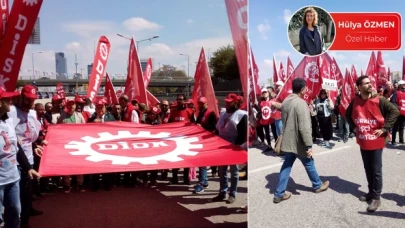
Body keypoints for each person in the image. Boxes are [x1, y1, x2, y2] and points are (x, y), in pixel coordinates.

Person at [346, 75, 399, 212]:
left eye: (370, 82)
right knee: (367, 167)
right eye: (366, 83)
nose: (370, 85)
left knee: (376, 170)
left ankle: (376, 197)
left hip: (376, 140)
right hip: (364, 139)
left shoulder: (379, 99)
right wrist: (354, 127)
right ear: (359, 87)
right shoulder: (355, 101)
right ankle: (370, 192)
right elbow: (347, 114)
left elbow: (395, 111)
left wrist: (385, 128)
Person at [273, 78, 329, 204]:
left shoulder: (286, 101)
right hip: (299, 142)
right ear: (303, 89)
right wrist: (309, 145)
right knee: (309, 162)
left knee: (286, 166)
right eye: (305, 88)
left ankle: (279, 193)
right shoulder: (301, 103)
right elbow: (304, 126)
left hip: (288, 140)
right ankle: (318, 185)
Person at [0, 87, 40, 228]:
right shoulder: (11, 113)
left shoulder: (12, 120)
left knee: (18, 207)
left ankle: (25, 218)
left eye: (32, 100)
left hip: (19, 169)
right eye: (28, 99)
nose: (30, 103)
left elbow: (19, 142)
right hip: (7, 172)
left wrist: (28, 165)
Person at [212, 93, 247, 204]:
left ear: (235, 103)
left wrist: (235, 145)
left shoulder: (241, 115)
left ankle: (232, 193)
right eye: (226, 102)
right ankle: (222, 192)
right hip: (222, 147)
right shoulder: (223, 113)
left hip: (233, 147)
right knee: (221, 171)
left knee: (234, 172)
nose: (226, 104)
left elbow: (242, 134)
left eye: (229, 102)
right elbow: (217, 129)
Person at [57, 99, 86, 193]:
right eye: (69, 105)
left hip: (78, 144)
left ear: (75, 106)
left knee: (79, 165)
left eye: (73, 104)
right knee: (67, 165)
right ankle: (67, 184)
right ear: (66, 106)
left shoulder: (79, 115)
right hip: (66, 145)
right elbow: (57, 129)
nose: (71, 106)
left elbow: (85, 129)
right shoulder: (62, 116)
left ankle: (80, 184)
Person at [88, 99, 116, 191]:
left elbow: (115, 131)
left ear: (105, 108)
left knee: (107, 165)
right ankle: (95, 185)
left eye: (102, 107)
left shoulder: (111, 117)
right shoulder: (91, 118)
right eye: (98, 107)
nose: (100, 109)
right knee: (95, 165)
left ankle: (107, 184)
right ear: (95, 109)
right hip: (95, 145)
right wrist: (93, 124)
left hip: (108, 145)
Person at [193, 97, 218, 194]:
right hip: (200, 139)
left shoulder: (211, 113)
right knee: (200, 162)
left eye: (202, 103)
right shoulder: (200, 113)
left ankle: (202, 182)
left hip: (207, 140)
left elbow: (214, 126)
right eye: (199, 103)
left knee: (202, 162)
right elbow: (197, 123)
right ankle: (204, 181)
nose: (200, 105)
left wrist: (202, 127)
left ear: (206, 104)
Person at [389, 80, 405, 146]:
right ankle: (393, 141)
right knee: (395, 127)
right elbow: (393, 101)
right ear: (400, 86)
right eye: (403, 85)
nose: (404, 87)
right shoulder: (396, 93)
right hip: (397, 113)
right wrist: (399, 108)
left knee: (402, 127)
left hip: (403, 113)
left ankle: (401, 140)